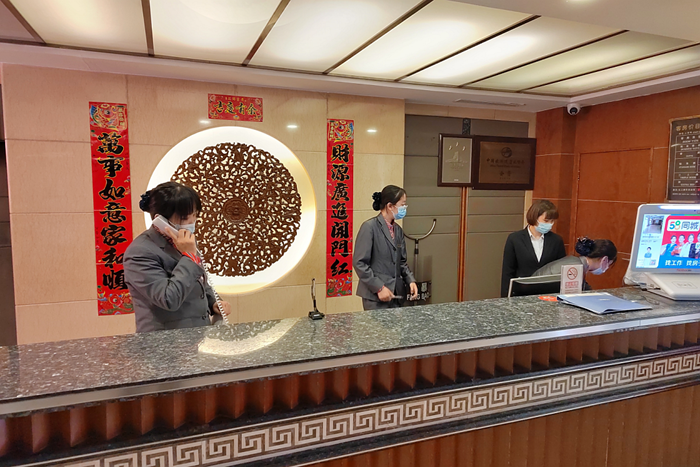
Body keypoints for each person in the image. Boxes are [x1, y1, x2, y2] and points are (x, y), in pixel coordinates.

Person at [124, 181, 231, 332]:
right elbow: (168, 299)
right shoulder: (140, 252)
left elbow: (199, 281)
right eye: (185, 217)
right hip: (164, 340)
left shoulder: (184, 241)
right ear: (160, 220)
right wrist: (189, 256)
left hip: (198, 336)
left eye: (195, 215)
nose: (192, 222)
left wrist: (213, 302)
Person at [353, 185, 418, 310]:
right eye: (402, 205)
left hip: (396, 295)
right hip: (375, 298)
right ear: (390, 206)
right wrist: (379, 287)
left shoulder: (398, 230)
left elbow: (402, 262)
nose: (404, 208)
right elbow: (359, 263)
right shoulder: (369, 227)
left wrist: (410, 280)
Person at [500, 200, 567, 297]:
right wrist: (505, 298)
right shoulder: (515, 239)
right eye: (546, 221)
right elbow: (508, 272)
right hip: (521, 294)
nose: (550, 224)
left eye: (552, 221)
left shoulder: (556, 240)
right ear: (535, 217)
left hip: (548, 294)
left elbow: (561, 270)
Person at [532, 237, 617, 289]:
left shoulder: (574, 261)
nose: (606, 268)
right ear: (604, 260)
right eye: (609, 264)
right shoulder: (576, 268)